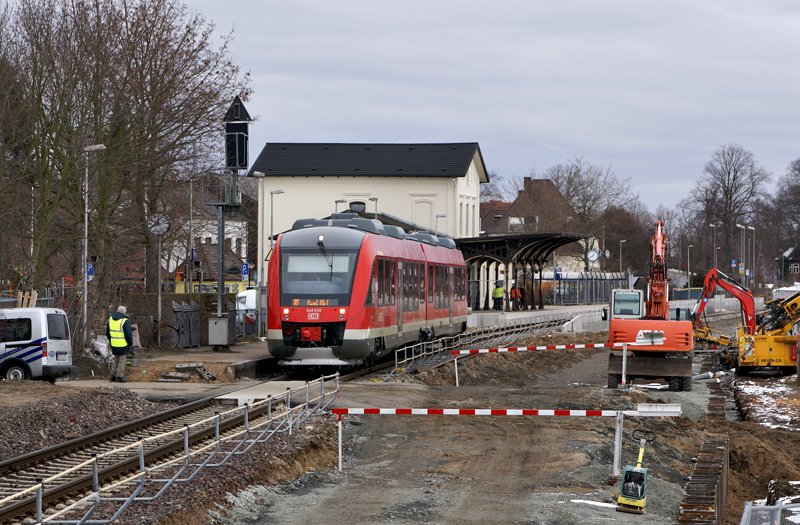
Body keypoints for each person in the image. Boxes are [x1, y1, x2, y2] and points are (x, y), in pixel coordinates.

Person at [107, 305, 133, 383]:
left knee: (116, 359)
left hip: (114, 343)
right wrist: (130, 343)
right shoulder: (124, 320)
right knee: (122, 360)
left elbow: (107, 332)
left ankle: (112, 376)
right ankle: (119, 376)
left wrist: (111, 341)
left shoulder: (110, 319)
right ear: (124, 312)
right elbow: (128, 334)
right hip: (123, 344)